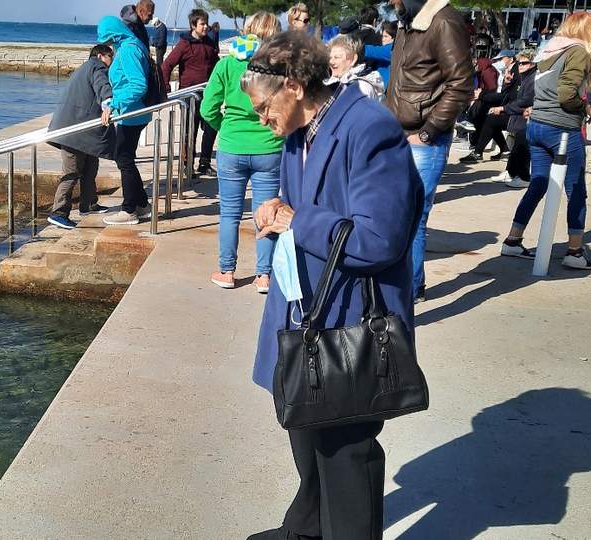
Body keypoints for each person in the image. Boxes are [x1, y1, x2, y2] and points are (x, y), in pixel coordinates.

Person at [245, 30, 422, 540]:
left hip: (348, 317)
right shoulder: (300, 130)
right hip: (306, 310)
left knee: (346, 450)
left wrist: (298, 220)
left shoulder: (369, 129)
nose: (261, 118)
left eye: (263, 107)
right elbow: (302, 207)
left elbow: (380, 238)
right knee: (306, 429)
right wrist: (278, 209)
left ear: (295, 86)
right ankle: (305, 528)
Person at [382, 0, 472, 303]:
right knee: (394, 213)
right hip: (397, 134)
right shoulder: (408, 23)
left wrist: (428, 131)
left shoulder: (443, 21)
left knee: (414, 216)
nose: (391, 3)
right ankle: (399, 283)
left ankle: (410, 289)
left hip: (424, 139)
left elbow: (460, 84)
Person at [500, 12, 591, 270]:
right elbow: (568, 94)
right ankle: (575, 251)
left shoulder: (549, 51)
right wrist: (585, 108)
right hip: (562, 129)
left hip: (537, 127)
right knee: (576, 189)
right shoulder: (578, 52)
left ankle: (513, 240)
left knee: (538, 184)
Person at [199, 12, 283, 292]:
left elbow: (207, 108)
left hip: (232, 146)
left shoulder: (226, 65)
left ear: (248, 30)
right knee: (267, 215)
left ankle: (227, 271)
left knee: (230, 214)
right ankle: (264, 275)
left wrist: (224, 127)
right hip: (269, 147)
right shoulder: (281, 67)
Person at [46, 44, 115, 230]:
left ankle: (89, 204)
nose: (112, 62)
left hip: (82, 130)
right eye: (111, 57)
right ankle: (58, 212)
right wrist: (108, 103)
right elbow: (102, 84)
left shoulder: (84, 68)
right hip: (73, 131)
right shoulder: (97, 66)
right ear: (101, 56)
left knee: (91, 167)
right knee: (71, 172)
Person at [98, 16, 154, 226]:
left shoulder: (129, 49)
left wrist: (114, 103)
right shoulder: (132, 44)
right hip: (132, 112)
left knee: (124, 159)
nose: (109, 44)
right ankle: (141, 204)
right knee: (125, 157)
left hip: (132, 114)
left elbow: (138, 85)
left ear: (115, 33)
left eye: (109, 39)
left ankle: (129, 210)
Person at [162, 9, 220, 175]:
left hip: (208, 93)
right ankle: (187, 166)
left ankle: (205, 163)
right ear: (193, 25)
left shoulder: (209, 43)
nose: (206, 26)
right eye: (202, 23)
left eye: (206, 23)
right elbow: (166, 66)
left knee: (211, 127)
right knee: (190, 131)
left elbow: (217, 67)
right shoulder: (184, 44)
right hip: (189, 95)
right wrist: (166, 89)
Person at [493, 49, 537, 188]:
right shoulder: (523, 77)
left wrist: (504, 109)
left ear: (533, 64)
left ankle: (523, 176)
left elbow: (525, 101)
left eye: (525, 63)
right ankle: (511, 172)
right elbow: (507, 95)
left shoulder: (533, 79)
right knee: (517, 142)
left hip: (526, 116)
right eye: (519, 63)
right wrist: (507, 82)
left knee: (521, 143)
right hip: (517, 114)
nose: (521, 66)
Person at [324, 34, 385, 99]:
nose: (331, 62)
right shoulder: (338, 81)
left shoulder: (361, 87)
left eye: (337, 57)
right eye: (330, 58)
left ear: (353, 59)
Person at [363, 21, 397, 90]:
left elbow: (373, 51)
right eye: (382, 36)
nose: (383, 39)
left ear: (394, 38)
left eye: (386, 36)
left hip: (383, 90)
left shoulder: (392, 49)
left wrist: (355, 47)